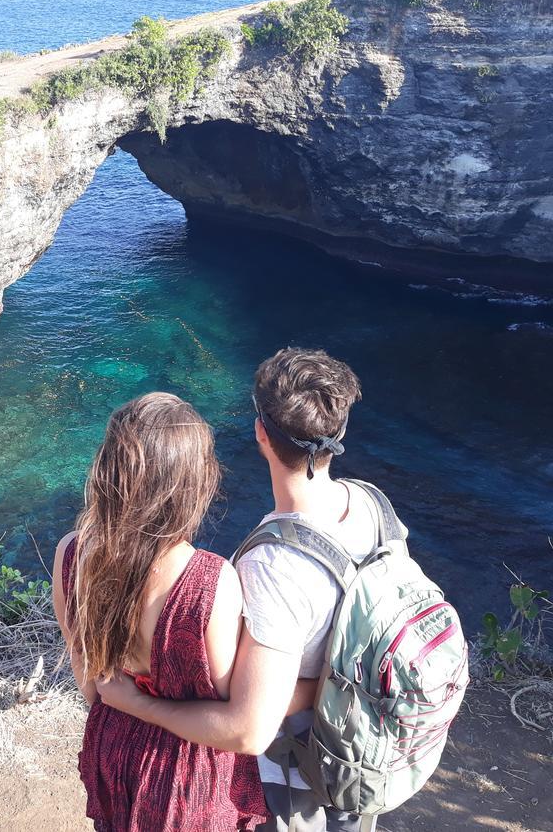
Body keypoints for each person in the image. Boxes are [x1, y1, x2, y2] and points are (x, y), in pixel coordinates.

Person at [98, 348, 388, 832]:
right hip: (364, 744)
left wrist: (143, 705)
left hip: (300, 770)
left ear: (260, 434)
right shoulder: (372, 505)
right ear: (337, 434)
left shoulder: (270, 568)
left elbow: (249, 727)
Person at [51, 392, 268, 832]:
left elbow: (91, 683)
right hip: (186, 780)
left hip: (112, 746)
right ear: (192, 484)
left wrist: (128, 701)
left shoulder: (71, 555)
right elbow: (230, 718)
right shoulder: (211, 584)